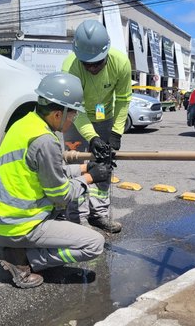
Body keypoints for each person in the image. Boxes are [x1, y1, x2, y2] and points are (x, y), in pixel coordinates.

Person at [0, 72, 112, 288]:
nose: (73, 120)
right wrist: (90, 178)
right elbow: (61, 195)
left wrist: (84, 167)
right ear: (57, 114)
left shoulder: (25, 124)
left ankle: (19, 250)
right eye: (72, 114)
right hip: (20, 225)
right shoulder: (46, 141)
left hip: (2, 220)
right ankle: (26, 261)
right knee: (94, 244)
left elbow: (48, 170)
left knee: (62, 215)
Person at [62, 19, 132, 233]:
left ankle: (99, 215)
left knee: (104, 165)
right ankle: (74, 219)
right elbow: (76, 108)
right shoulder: (70, 67)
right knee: (74, 167)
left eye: (97, 62)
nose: (92, 67)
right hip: (76, 119)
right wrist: (92, 137)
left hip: (104, 118)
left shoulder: (120, 63)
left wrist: (116, 131)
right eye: (87, 63)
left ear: (106, 52)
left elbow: (123, 99)